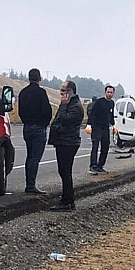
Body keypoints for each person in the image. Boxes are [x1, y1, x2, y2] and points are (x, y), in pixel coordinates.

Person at [48, 81, 84, 211]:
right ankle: (67, 199)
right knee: (63, 171)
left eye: (63, 91)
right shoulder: (70, 104)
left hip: (68, 142)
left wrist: (63, 106)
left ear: (70, 92)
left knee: (65, 172)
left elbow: (65, 119)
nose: (61, 94)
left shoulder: (75, 106)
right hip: (63, 141)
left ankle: (67, 201)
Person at [18, 68, 53, 194]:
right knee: (35, 157)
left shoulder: (23, 93)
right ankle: (31, 184)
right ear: (39, 78)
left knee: (30, 156)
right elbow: (47, 111)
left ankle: (29, 183)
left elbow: (20, 111)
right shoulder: (41, 93)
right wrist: (45, 123)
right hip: (39, 127)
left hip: (27, 127)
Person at [87, 85, 116, 174]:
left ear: (113, 93)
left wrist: (114, 125)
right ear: (105, 92)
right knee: (95, 146)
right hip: (96, 127)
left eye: (111, 92)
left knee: (106, 146)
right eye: (108, 92)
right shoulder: (99, 102)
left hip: (105, 128)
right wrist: (89, 124)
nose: (109, 94)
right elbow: (93, 113)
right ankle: (93, 166)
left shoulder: (112, 103)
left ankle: (100, 165)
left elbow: (111, 115)